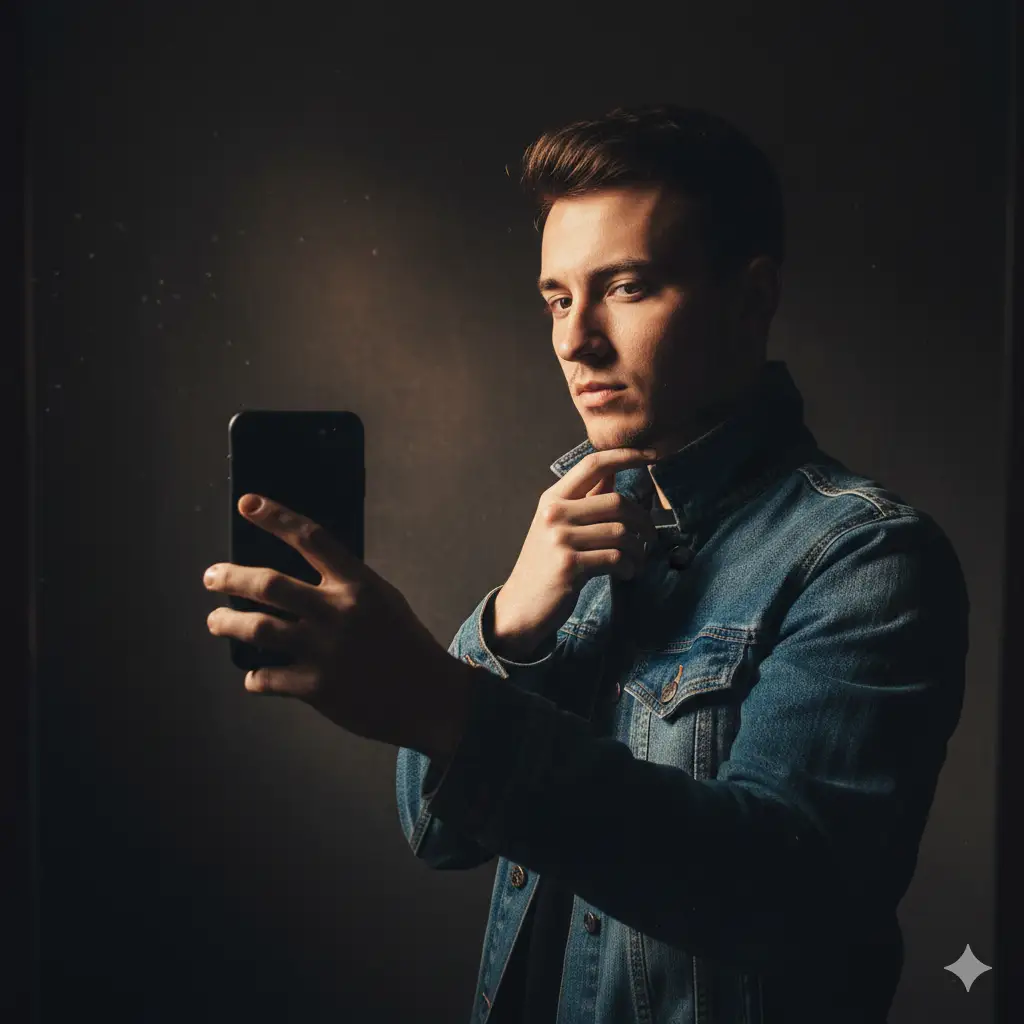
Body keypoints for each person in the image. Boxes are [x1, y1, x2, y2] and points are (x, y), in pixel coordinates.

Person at [203, 104, 968, 1024]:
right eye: (558, 298)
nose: (575, 340)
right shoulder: (579, 530)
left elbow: (781, 891)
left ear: (751, 299)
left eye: (627, 287)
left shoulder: (866, 558)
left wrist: (441, 696)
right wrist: (510, 624)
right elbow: (435, 832)